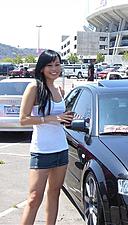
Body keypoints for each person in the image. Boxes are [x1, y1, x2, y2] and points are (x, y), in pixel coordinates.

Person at [19, 50, 74, 225]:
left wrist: (67, 117)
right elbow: (23, 119)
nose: (54, 68)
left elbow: (59, 118)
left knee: (54, 194)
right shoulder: (34, 87)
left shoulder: (59, 88)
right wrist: (51, 118)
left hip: (61, 149)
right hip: (41, 151)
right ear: (42, 68)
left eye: (57, 64)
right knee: (34, 198)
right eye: (49, 65)